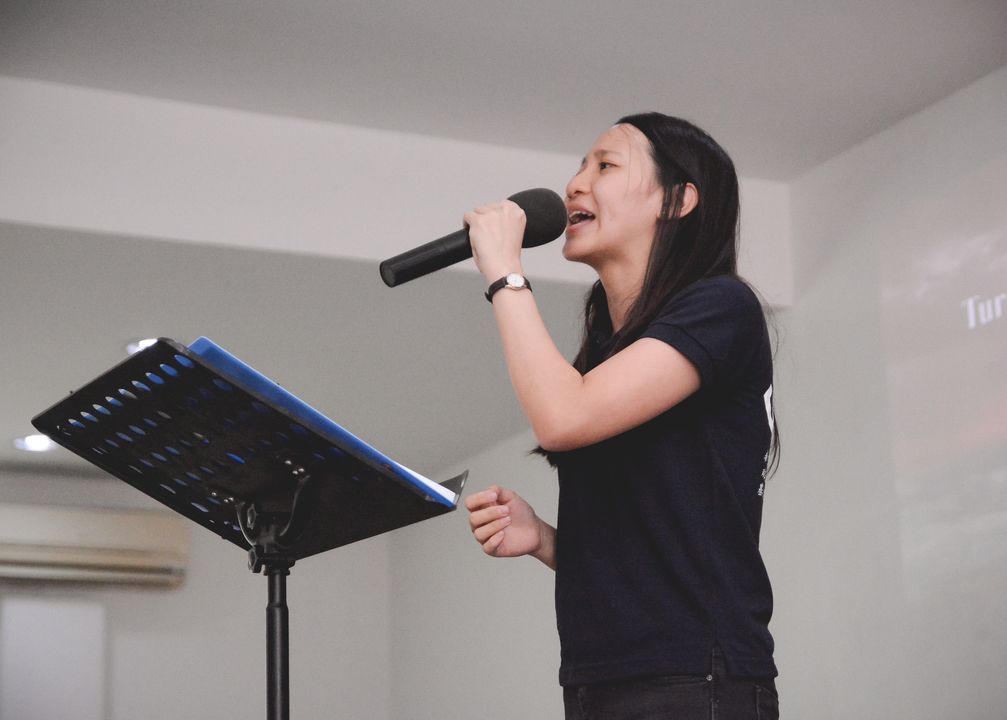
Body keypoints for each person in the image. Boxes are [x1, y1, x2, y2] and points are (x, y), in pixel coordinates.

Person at [463, 112, 780, 720]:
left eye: (605, 165)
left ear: (678, 200)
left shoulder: (721, 306)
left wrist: (505, 274)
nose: (575, 184)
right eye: (580, 166)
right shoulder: (610, 350)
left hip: (695, 678)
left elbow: (562, 418)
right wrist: (546, 540)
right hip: (600, 680)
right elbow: (661, 544)